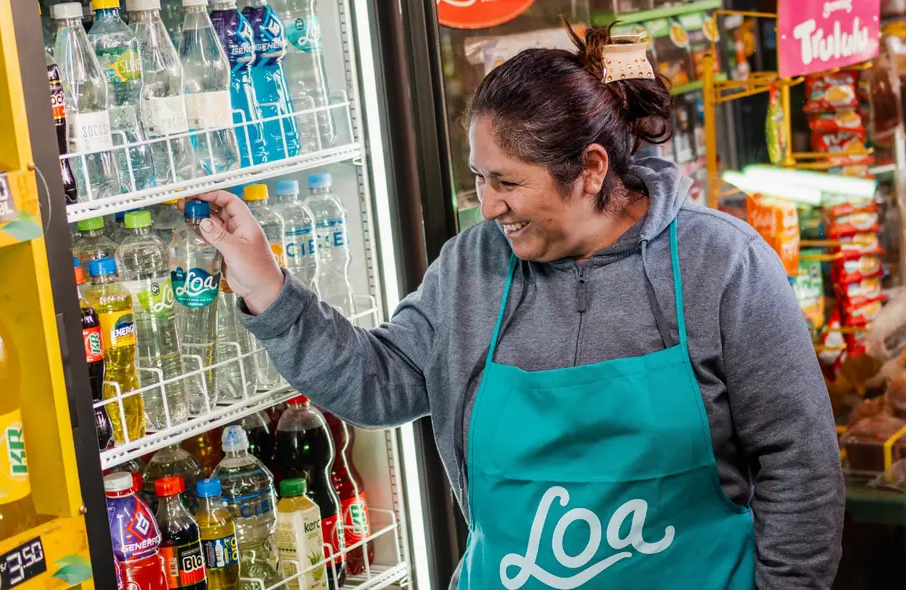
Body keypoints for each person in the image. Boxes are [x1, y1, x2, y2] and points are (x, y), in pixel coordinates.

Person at [189, 23, 843, 590]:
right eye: (478, 177)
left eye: (507, 182)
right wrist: (262, 280)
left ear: (589, 170)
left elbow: (800, 462)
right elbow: (376, 382)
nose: (488, 205)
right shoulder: (475, 266)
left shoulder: (721, 265)